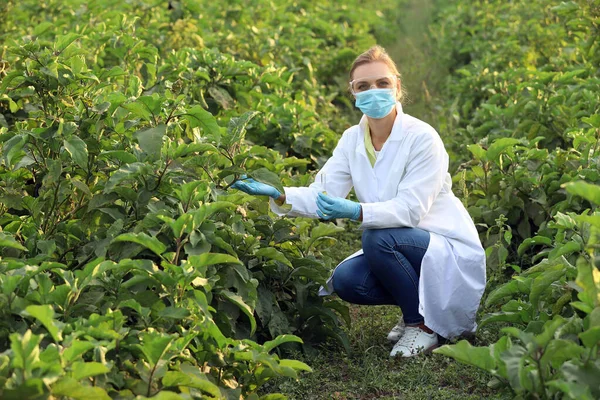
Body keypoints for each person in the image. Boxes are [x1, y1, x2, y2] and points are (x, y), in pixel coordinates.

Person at [231, 45, 486, 357]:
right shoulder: (353, 139)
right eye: (363, 86)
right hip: (398, 241)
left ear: (397, 87)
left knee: (377, 239)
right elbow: (323, 192)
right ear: (352, 93)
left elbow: (410, 210)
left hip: (442, 242)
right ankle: (417, 308)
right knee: (347, 280)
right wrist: (278, 192)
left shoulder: (422, 138)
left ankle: (421, 326)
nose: (373, 92)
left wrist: (356, 210)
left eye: (382, 83)